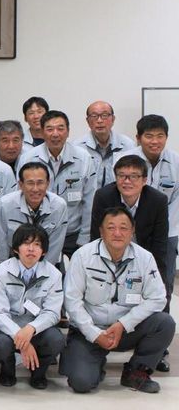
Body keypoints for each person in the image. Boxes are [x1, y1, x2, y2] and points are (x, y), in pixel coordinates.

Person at [60, 207, 175, 394]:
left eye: (123, 228)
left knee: (164, 323)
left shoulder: (144, 258)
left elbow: (158, 298)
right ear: (101, 231)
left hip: (126, 330)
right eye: (111, 227)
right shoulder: (82, 256)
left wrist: (123, 324)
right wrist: (94, 334)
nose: (117, 233)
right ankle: (95, 363)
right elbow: (72, 301)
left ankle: (136, 372)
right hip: (89, 331)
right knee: (81, 383)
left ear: (132, 231)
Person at [116, 114, 178, 330]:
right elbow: (118, 195)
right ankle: (126, 328)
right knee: (127, 280)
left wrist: (164, 225)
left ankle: (160, 330)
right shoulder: (125, 160)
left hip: (166, 231)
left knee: (162, 281)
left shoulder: (176, 162)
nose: (155, 141)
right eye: (149, 136)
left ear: (166, 137)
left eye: (160, 136)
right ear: (138, 138)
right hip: (129, 230)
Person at [0, 224, 65, 389]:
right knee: (0, 344)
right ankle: (7, 369)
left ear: (43, 251)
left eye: (37, 244)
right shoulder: (0, 272)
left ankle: (39, 372)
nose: (31, 249)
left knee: (56, 340)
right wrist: (21, 337)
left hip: (38, 328)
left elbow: (52, 313)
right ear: (16, 248)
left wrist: (31, 329)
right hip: (8, 328)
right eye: (26, 243)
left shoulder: (54, 274)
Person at [20, 110, 97, 256]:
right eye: (49, 129)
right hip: (37, 236)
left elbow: (90, 201)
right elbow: (21, 197)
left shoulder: (83, 158)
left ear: (68, 132)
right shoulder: (28, 158)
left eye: (60, 128)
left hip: (72, 235)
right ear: (42, 132)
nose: (55, 134)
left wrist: (84, 237)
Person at [90, 155, 169, 284]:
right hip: (111, 254)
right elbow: (97, 236)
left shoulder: (158, 201)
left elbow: (159, 246)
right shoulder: (103, 197)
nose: (127, 181)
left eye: (134, 176)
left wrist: (158, 282)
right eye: (121, 176)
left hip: (144, 255)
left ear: (144, 180)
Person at [0, 161, 68, 265]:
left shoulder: (59, 206)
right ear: (21, 185)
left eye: (40, 183)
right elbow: (2, 245)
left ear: (48, 183)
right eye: (30, 183)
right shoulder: (5, 205)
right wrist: (5, 269)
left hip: (46, 263)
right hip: (13, 261)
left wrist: (42, 272)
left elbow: (55, 247)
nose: (35, 189)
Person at [75, 101, 136, 188]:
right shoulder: (78, 147)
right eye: (94, 116)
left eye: (104, 115)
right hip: (89, 196)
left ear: (113, 119)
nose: (99, 120)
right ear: (88, 121)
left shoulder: (128, 145)